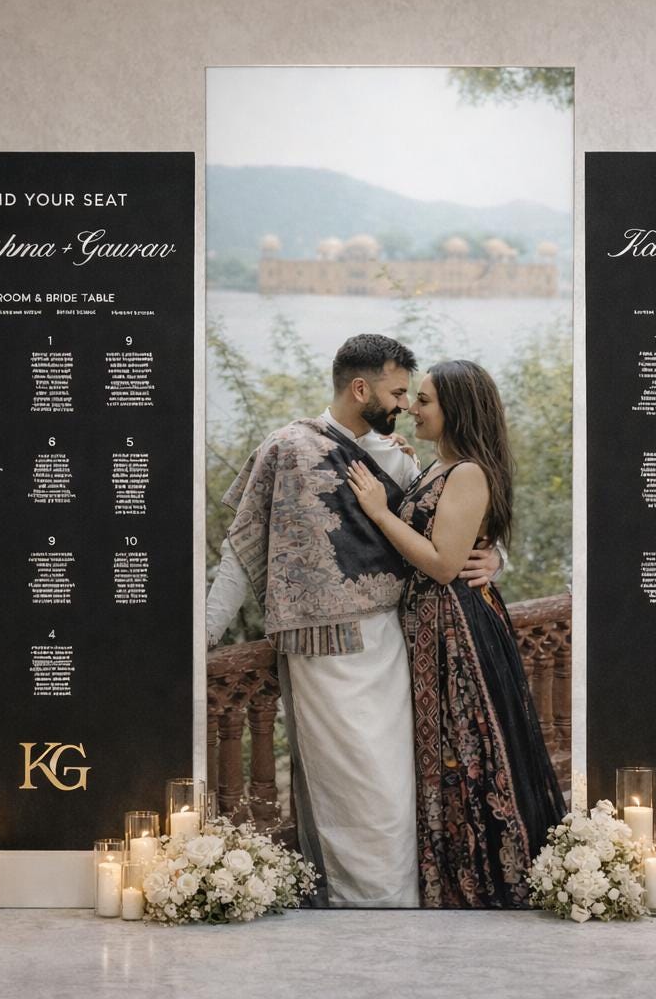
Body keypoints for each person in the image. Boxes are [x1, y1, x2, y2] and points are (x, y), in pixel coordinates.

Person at [205, 334, 500, 908]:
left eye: (412, 396)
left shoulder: (398, 457)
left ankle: (399, 907)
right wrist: (207, 632)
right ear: (361, 389)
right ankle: (357, 910)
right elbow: (242, 549)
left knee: (393, 789)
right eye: (397, 393)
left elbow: (451, 526)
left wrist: (495, 559)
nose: (405, 406)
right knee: (348, 788)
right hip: (321, 649)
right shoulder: (288, 448)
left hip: (394, 643)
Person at [347, 359, 566, 909]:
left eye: (424, 401)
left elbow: (445, 565)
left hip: (456, 631)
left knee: (463, 753)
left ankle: (474, 885)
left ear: (457, 411)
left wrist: (379, 512)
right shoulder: (438, 467)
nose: (411, 409)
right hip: (428, 627)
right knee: (437, 752)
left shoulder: (468, 472)